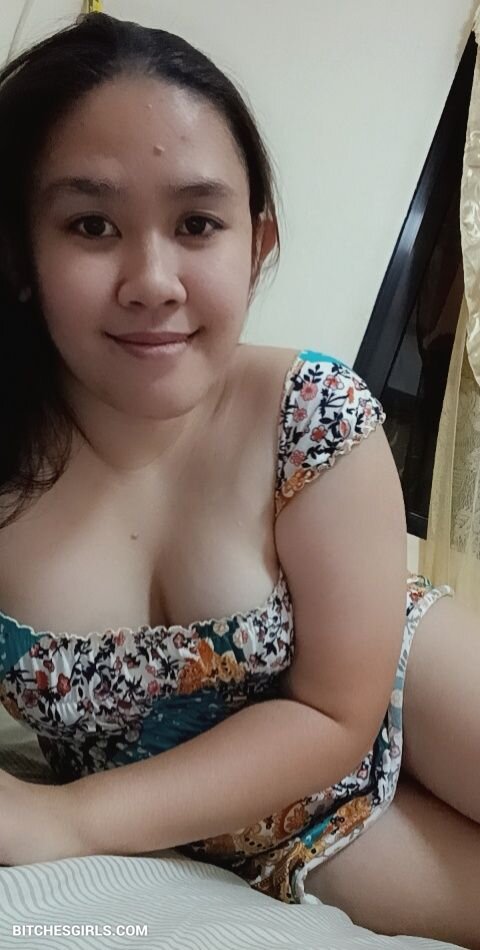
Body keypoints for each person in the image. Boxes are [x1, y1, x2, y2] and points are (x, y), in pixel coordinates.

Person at [0, 12, 478, 948]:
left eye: (197, 224)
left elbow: (335, 710)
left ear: (255, 246)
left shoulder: (313, 414)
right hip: (282, 832)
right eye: (92, 224)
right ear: (21, 252)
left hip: (397, 682)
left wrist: (70, 819)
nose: (153, 280)